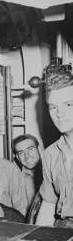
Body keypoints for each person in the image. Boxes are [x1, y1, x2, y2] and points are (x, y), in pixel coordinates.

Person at [36, 71, 73, 227]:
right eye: (53, 107)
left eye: (68, 104)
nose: (59, 113)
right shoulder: (50, 155)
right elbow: (49, 204)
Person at [12, 134, 43, 223]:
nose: (27, 156)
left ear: (39, 149)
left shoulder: (52, 173)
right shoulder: (16, 180)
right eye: (21, 152)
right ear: (17, 157)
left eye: (30, 149)